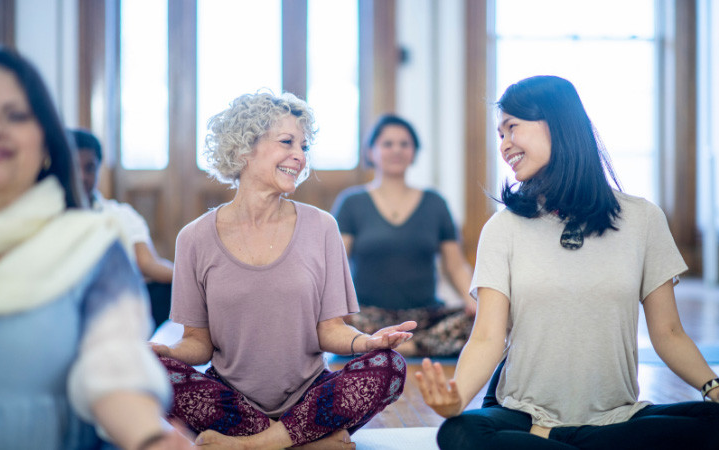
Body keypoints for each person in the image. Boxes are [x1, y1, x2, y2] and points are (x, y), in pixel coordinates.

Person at [415, 75, 719, 449]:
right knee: (460, 433)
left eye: (512, 128)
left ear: (557, 124)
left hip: (616, 419)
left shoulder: (643, 220)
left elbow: (669, 333)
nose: (504, 144)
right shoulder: (503, 228)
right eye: (500, 135)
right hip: (524, 418)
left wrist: (713, 386)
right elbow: (487, 336)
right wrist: (457, 397)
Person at [150, 92, 416, 449]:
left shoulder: (322, 226)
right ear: (243, 148)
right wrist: (166, 353)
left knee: (390, 365)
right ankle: (307, 441)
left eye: (304, 146)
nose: (300, 156)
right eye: (287, 142)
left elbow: (330, 331)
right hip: (230, 401)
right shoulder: (194, 238)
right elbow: (198, 343)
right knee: (150, 373)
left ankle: (255, 444)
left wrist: (369, 343)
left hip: (310, 397)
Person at [0, 47, 191, 449]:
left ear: (45, 141)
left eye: (15, 115)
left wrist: (149, 436)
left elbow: (112, 365)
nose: (0, 128)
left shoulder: (92, 243)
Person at [331, 114, 475, 357]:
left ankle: (400, 345)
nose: (396, 150)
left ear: (414, 152)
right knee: (333, 324)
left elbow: (455, 265)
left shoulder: (435, 203)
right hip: (366, 318)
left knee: (477, 322)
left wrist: (473, 300)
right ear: (371, 151)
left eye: (404, 144)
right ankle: (400, 345)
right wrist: (334, 310)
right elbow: (335, 264)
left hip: (423, 319)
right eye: (388, 144)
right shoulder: (351, 202)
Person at [70, 128, 174, 327]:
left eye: (90, 168)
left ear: (99, 169)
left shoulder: (121, 215)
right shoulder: (46, 215)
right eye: (75, 168)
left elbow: (148, 263)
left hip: (118, 299)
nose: (82, 176)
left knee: (168, 290)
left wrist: (198, 281)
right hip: (72, 300)